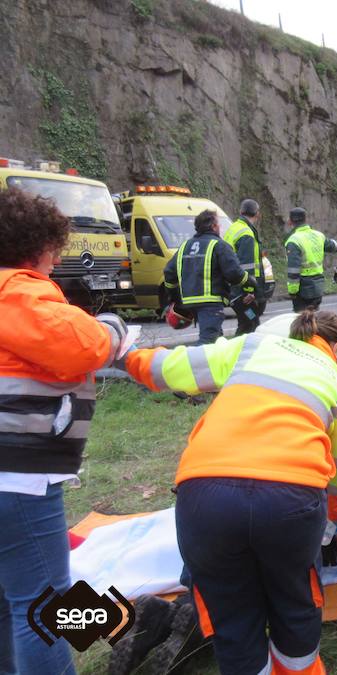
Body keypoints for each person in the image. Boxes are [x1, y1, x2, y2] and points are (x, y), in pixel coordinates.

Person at [122, 310, 337, 675]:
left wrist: (121, 354)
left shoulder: (253, 347)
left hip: (205, 494)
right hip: (290, 500)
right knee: (295, 602)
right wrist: (335, 512)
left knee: (231, 616)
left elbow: (170, 368)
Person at [0, 187, 127, 675]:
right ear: (37, 246)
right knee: (42, 608)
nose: (55, 263)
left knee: (11, 599)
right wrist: (114, 326)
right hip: (17, 475)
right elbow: (80, 344)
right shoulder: (17, 291)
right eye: (54, 251)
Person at [163, 209, 258, 344]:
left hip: (189, 301)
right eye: (218, 224)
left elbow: (169, 273)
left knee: (217, 339)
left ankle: (221, 363)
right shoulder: (219, 245)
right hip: (210, 302)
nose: (219, 227)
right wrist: (251, 283)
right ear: (213, 226)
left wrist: (175, 297)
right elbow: (234, 274)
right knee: (208, 341)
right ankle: (189, 363)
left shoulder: (185, 246)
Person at [284, 207, 337, 312]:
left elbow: (293, 270)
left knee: (302, 321)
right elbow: (333, 245)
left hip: (303, 289)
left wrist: (292, 291)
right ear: (306, 219)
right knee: (314, 317)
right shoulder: (318, 235)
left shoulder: (293, 241)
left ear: (290, 221)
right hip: (318, 286)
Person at [223, 198, 265, 335]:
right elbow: (247, 266)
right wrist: (249, 291)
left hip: (232, 287)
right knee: (250, 324)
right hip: (242, 293)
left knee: (248, 323)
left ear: (241, 211)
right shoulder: (246, 233)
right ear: (257, 214)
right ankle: (237, 354)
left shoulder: (233, 228)